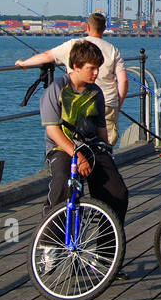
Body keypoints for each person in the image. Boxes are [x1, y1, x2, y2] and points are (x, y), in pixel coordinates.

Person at [37, 40, 129, 229]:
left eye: (98, 68)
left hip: (91, 146)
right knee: (64, 184)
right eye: (91, 68)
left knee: (117, 192)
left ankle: (107, 250)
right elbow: (52, 130)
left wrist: (106, 154)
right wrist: (77, 156)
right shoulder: (56, 90)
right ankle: (51, 241)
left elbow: (101, 127)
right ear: (76, 67)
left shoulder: (96, 92)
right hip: (61, 147)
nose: (96, 73)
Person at [17, 12, 128, 148]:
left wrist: (24, 63)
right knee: (104, 146)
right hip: (107, 102)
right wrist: (118, 104)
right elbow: (123, 81)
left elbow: (47, 56)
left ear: (87, 27)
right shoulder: (113, 50)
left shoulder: (75, 45)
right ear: (104, 28)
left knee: (77, 142)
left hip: (77, 102)